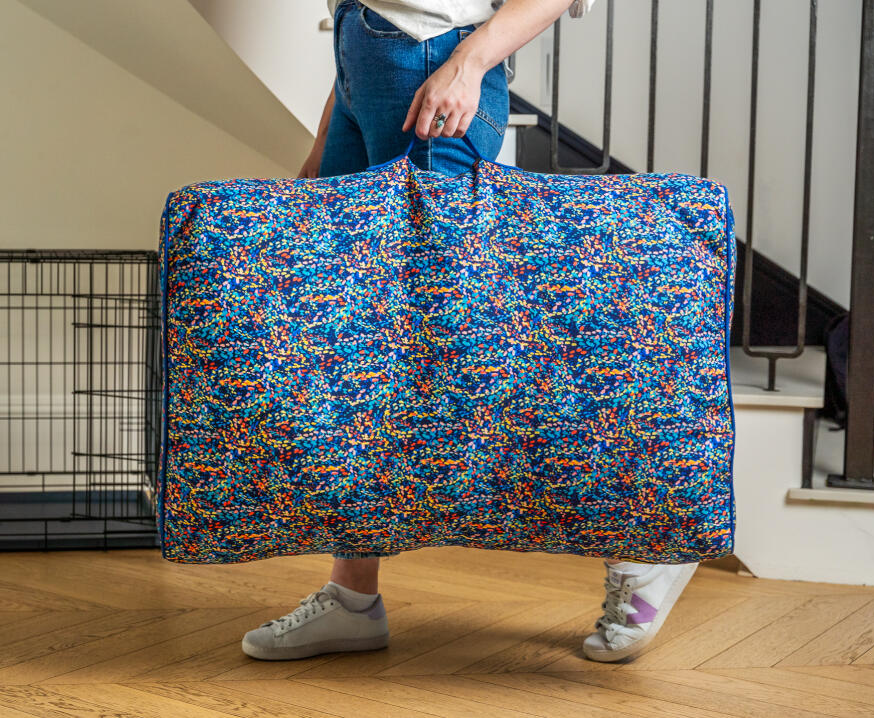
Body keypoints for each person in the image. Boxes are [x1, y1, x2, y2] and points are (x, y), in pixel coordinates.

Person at [241, 0, 700, 664]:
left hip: (434, 78)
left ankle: (643, 546)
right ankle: (352, 596)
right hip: (365, 75)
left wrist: (467, 63)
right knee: (359, 359)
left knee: (464, 355)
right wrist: (330, 129)